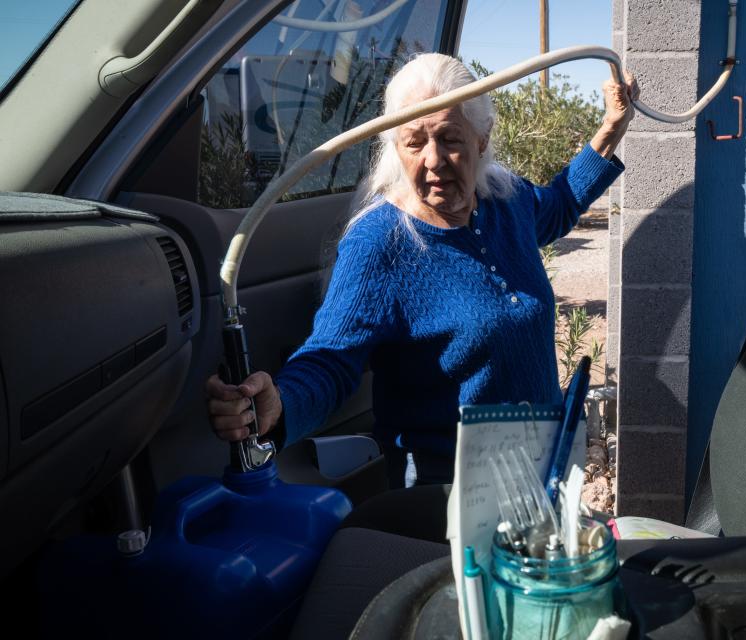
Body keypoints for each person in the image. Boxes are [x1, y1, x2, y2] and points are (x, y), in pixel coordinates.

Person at [207, 53, 636, 489]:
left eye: (450, 138)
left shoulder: (507, 200)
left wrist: (611, 128)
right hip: (449, 485)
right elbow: (332, 359)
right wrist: (280, 404)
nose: (433, 160)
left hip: (543, 458)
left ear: (481, 139)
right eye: (414, 142)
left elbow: (559, 207)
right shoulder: (380, 242)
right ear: (395, 146)